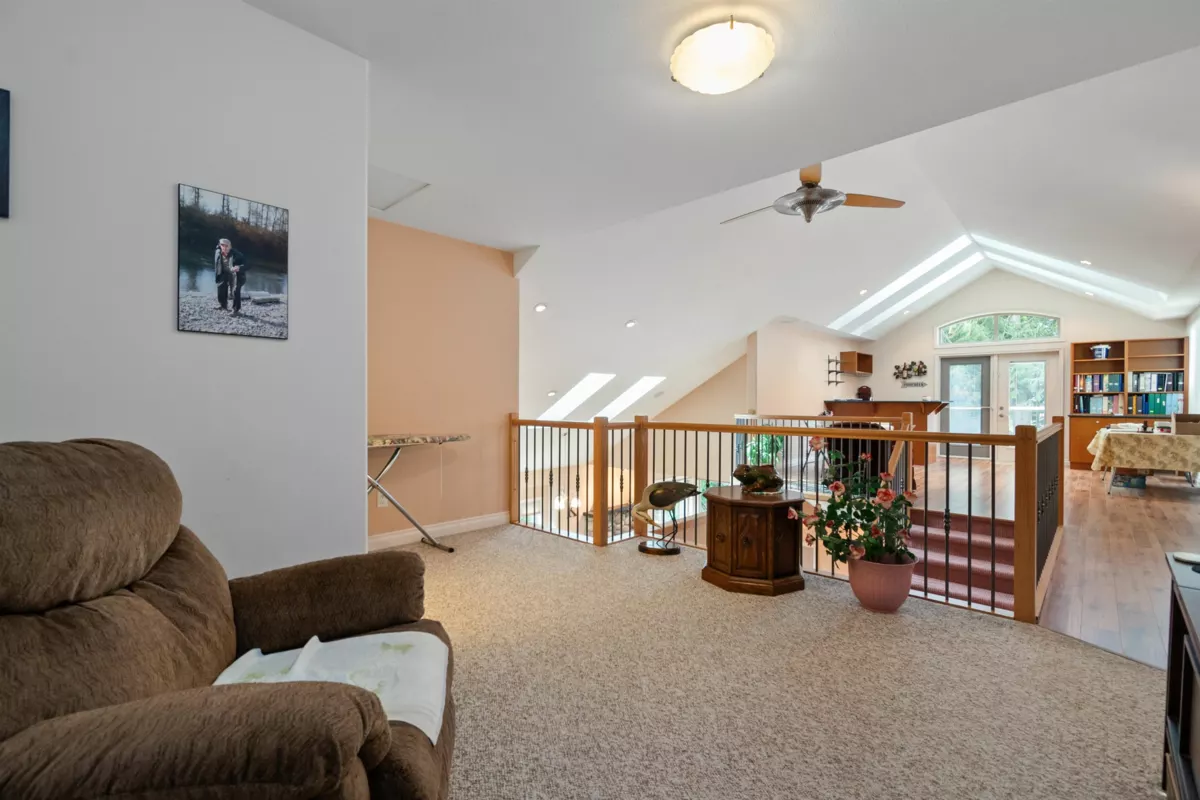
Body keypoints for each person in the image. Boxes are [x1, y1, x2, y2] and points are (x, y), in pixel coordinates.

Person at [213, 238, 248, 313]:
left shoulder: (237, 254)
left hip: (236, 275)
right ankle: (223, 305)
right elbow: (217, 264)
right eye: (222, 245)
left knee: (235, 291)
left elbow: (248, 264)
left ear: (230, 246)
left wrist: (239, 267)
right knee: (220, 287)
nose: (224, 247)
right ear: (219, 245)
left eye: (227, 246)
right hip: (223, 272)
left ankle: (236, 309)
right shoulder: (218, 251)